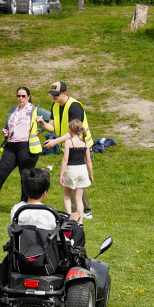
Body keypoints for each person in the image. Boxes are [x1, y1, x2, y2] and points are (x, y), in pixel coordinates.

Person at [0, 86, 52, 211]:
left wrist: (41, 127)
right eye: (18, 96)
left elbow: (52, 117)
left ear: (28, 97)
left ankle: (24, 204)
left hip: (27, 147)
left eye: (23, 96)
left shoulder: (35, 109)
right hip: (11, 146)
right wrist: (6, 132)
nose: (20, 98)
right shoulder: (13, 110)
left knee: (25, 177)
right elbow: (7, 126)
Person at [42, 81, 94, 219]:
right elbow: (52, 127)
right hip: (70, 144)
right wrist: (43, 124)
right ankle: (84, 210)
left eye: (56, 94)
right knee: (76, 176)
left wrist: (54, 142)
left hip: (80, 145)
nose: (53, 97)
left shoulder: (75, 106)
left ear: (64, 93)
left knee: (72, 176)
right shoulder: (55, 105)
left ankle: (79, 212)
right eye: (52, 94)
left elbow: (74, 132)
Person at [59, 119, 94, 223]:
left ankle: (69, 218)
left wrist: (61, 175)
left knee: (67, 196)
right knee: (79, 199)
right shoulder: (85, 142)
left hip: (71, 170)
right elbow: (88, 161)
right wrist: (91, 174)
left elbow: (65, 159)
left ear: (70, 130)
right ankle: (80, 222)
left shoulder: (68, 142)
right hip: (82, 170)